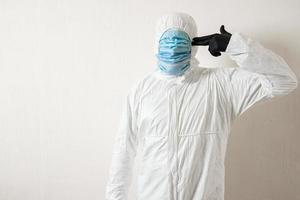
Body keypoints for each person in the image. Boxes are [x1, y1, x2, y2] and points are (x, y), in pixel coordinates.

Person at [105, 12, 298, 200]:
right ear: (156, 43)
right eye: (167, 41)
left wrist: (236, 46)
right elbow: (124, 150)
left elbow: (284, 81)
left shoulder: (220, 85)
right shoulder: (141, 90)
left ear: (193, 44)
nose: (172, 48)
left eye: (180, 41)